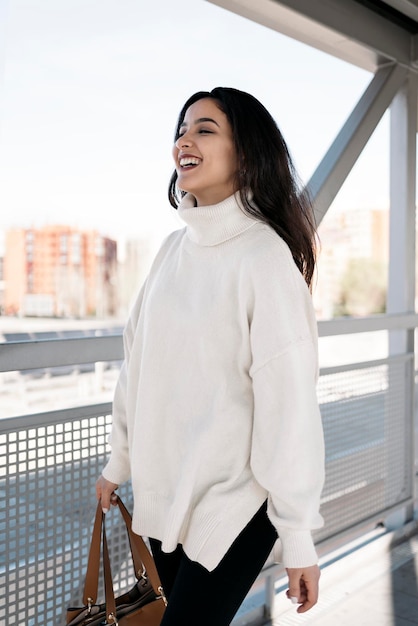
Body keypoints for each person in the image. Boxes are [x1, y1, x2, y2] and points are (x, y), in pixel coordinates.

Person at [96, 87, 325, 625]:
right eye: (181, 129)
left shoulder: (265, 257)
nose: (184, 140)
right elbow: (137, 366)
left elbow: (288, 403)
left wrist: (297, 536)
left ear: (245, 153)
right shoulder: (172, 251)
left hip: (236, 504)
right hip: (166, 498)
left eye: (204, 128)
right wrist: (119, 462)